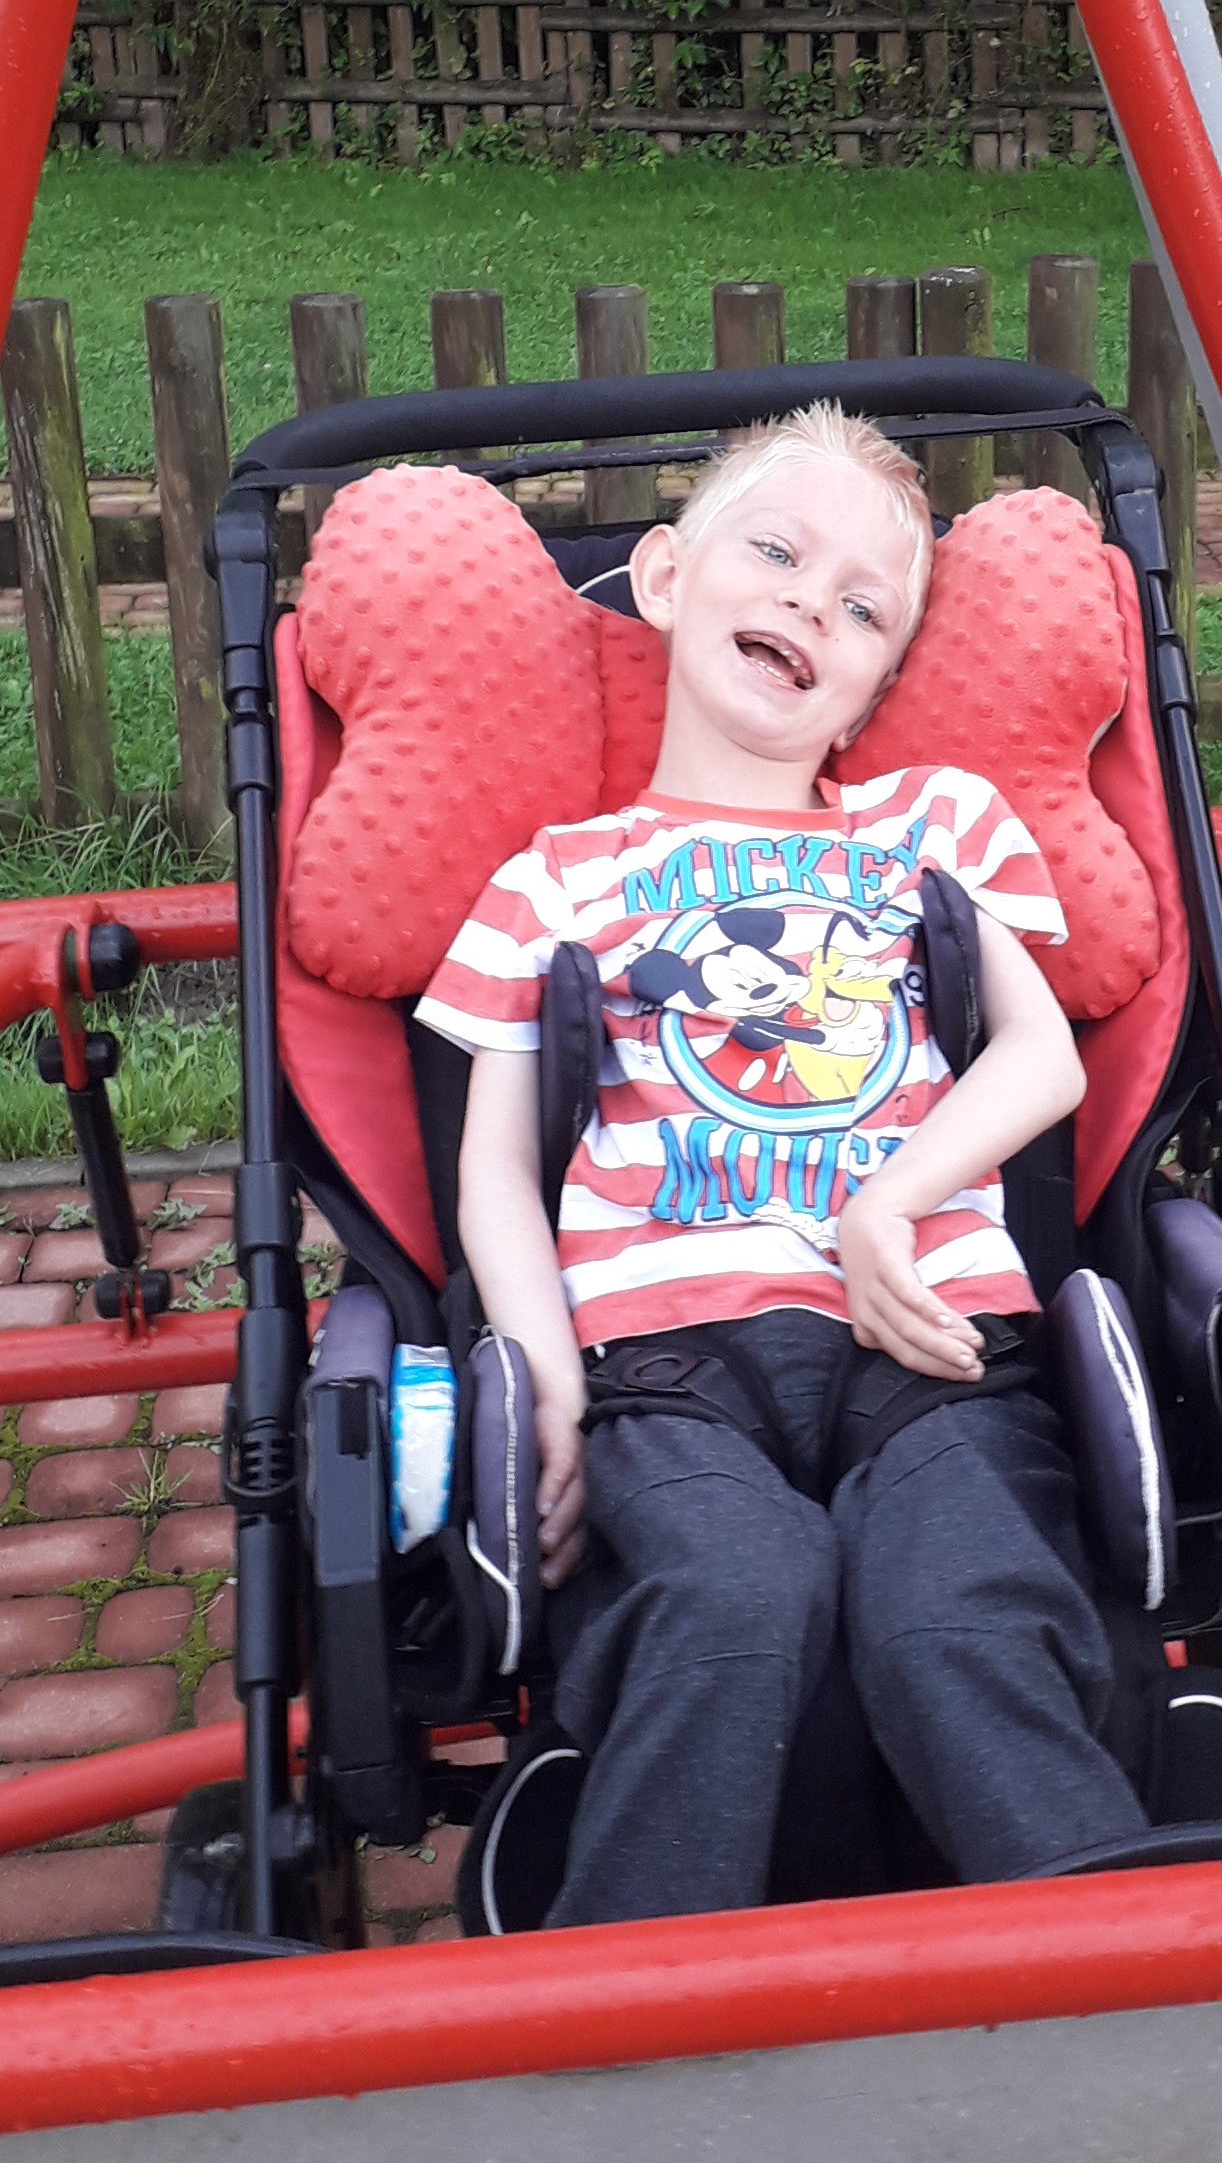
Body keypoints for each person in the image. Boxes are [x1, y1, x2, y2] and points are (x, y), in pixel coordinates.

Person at [415, 402, 1149, 1925]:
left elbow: (1042, 1056)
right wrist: (545, 1388)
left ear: (879, 681)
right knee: (727, 1599)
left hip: (935, 1340)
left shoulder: (931, 825)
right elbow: (490, 1177)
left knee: (956, 1615)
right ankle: (624, 2009)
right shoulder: (557, 878)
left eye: (865, 608)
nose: (814, 603)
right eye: (776, 553)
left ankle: (1132, 1980)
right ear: (664, 578)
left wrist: (888, 1202)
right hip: (662, 1361)